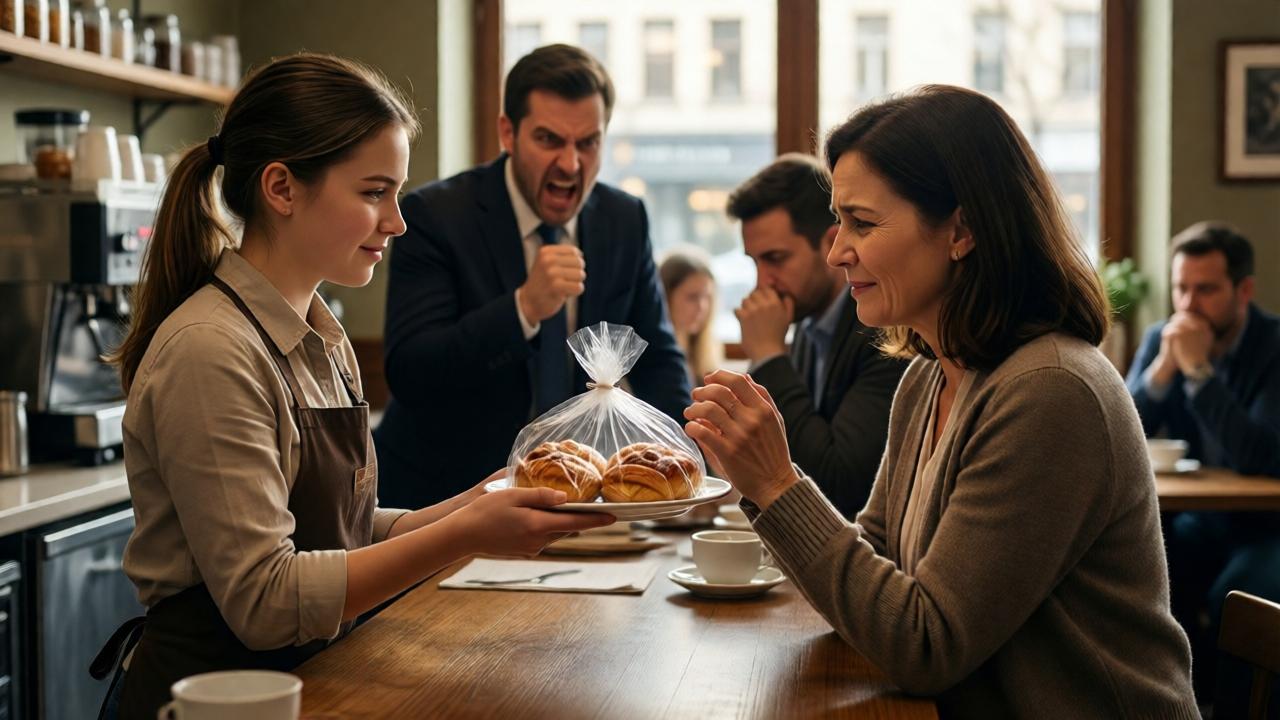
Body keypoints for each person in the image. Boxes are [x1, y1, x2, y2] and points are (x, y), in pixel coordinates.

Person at [96, 54, 611, 720]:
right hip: (215, 700)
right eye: (374, 193)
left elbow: (340, 530)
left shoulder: (319, 333)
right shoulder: (210, 352)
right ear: (281, 188)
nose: (396, 222)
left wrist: (472, 506)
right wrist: (460, 537)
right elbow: (266, 600)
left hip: (311, 682)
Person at [683, 86, 1197, 717]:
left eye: (861, 223)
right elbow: (875, 558)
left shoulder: (1051, 390)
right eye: (838, 219)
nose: (838, 249)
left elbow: (927, 646)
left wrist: (776, 480)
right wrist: (762, 486)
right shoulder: (927, 378)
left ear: (961, 229)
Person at [374, 44, 691, 509]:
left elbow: (658, 359)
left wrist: (682, 459)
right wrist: (522, 309)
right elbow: (412, 371)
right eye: (549, 140)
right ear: (508, 132)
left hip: (576, 498)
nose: (570, 164)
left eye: (588, 143)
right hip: (441, 501)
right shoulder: (436, 216)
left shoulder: (624, 220)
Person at [1125, 221, 1280, 710]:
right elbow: (1120, 434)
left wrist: (1198, 373)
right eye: (1180, 289)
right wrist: (1159, 375)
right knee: (1142, 581)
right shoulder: (1161, 339)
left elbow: (1262, 455)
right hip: (1200, 518)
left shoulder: (1273, 347)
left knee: (1239, 596)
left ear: (1244, 290)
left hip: (1267, 525)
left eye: (1206, 290)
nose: (1188, 305)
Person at [726, 153, 906, 517]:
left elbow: (837, 484)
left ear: (829, 244)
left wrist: (768, 356)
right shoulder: (810, 328)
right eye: (755, 262)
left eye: (775, 259)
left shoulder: (886, 335)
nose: (763, 282)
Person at [659, 247, 723, 383]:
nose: (702, 307)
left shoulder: (702, 358)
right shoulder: (654, 360)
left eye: (707, 297)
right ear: (666, 297)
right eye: (692, 297)